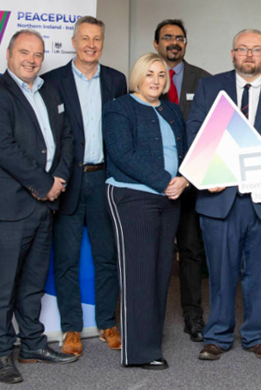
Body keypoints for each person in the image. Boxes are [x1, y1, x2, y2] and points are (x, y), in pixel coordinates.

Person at [188, 29, 261, 361]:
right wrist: (204, 174)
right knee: (220, 272)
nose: (249, 55)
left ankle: (257, 335)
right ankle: (217, 336)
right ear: (232, 54)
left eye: (256, 50)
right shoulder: (211, 87)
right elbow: (195, 132)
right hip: (220, 196)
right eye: (243, 49)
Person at [0, 29, 78, 384]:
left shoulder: (51, 90)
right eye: (24, 52)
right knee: (3, 286)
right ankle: (2, 353)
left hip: (45, 203)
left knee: (34, 282)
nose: (31, 60)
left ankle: (32, 344)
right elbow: (3, 149)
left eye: (37, 54)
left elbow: (66, 138)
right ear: (8, 54)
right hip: (9, 205)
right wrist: (43, 184)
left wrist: (59, 180)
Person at [41, 16, 126, 357]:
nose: (91, 45)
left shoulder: (117, 81)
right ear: (73, 42)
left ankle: (107, 322)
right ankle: (71, 329)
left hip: (105, 179)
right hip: (68, 180)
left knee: (108, 257)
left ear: (102, 43)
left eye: (97, 39)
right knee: (66, 259)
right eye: (85, 39)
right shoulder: (52, 81)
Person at [102, 52, 188, 370]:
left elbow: (185, 150)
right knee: (138, 273)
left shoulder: (172, 110)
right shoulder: (119, 108)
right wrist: (166, 181)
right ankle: (138, 352)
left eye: (162, 75)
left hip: (170, 199)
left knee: (160, 272)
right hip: (132, 197)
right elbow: (123, 153)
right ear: (138, 76)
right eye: (150, 74)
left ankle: (150, 340)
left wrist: (185, 180)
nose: (156, 80)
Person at [152, 18, 212, 342]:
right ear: (156, 44)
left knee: (191, 251)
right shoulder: (144, 77)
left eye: (179, 38)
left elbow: (209, 131)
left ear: (185, 43)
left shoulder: (203, 79)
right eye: (167, 38)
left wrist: (189, 175)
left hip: (191, 182)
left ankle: (193, 317)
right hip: (153, 183)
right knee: (156, 254)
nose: (174, 42)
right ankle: (151, 321)